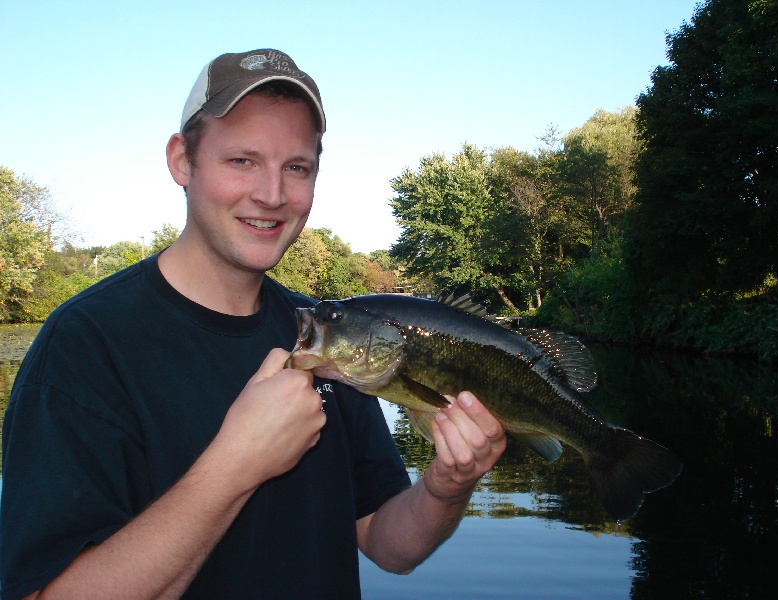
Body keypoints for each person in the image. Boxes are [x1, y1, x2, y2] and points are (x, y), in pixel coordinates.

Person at [0, 48, 507, 599]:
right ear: (182, 161)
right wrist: (235, 465)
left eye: (297, 167)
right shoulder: (85, 345)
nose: (272, 194)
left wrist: (447, 487)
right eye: (242, 160)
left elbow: (388, 545)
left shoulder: (333, 334)